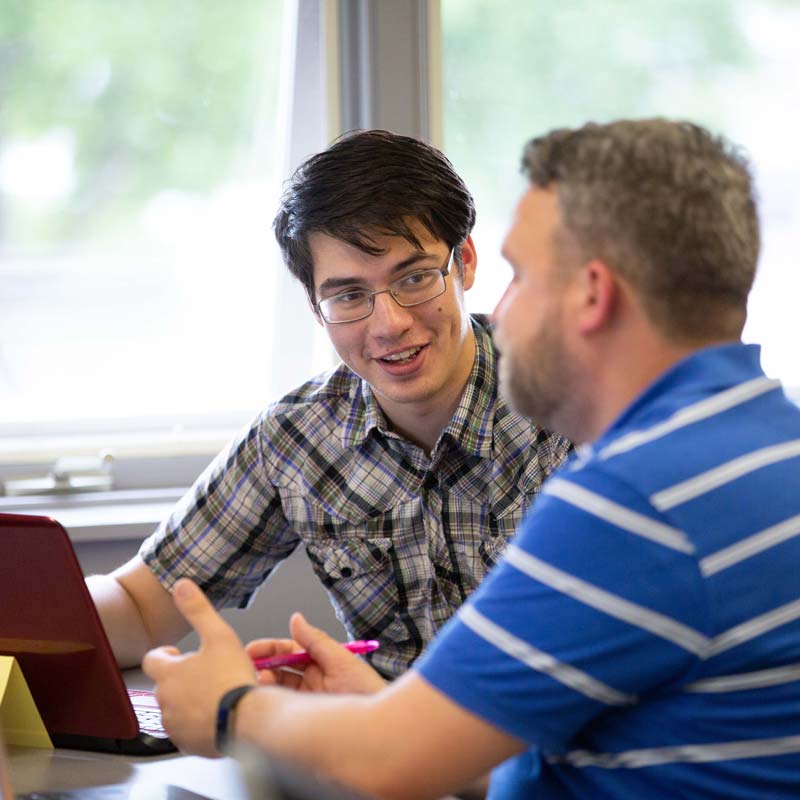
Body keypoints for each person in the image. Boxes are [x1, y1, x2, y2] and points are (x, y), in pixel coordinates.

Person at [143, 118, 800, 800]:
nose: (502, 313)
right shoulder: (769, 444)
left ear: (592, 294)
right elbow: (604, 757)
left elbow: (382, 765)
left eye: (519, 276)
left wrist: (229, 708)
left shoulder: (632, 499)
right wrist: (390, 713)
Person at [87, 130, 571, 678]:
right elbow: (140, 607)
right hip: (380, 752)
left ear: (464, 263)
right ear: (317, 308)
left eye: (414, 279)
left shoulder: (574, 408)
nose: (389, 324)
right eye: (348, 296)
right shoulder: (297, 437)